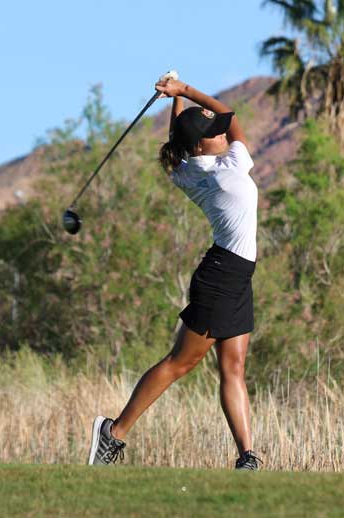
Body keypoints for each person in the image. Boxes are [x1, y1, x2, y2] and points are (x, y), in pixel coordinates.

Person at [86, 77, 262, 471]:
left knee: (233, 367)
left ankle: (247, 457)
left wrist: (178, 98)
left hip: (235, 273)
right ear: (202, 145)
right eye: (214, 133)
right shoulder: (225, 173)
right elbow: (229, 120)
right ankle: (113, 433)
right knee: (180, 363)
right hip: (222, 276)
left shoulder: (189, 170)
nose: (223, 134)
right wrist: (183, 91)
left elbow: (207, 127)